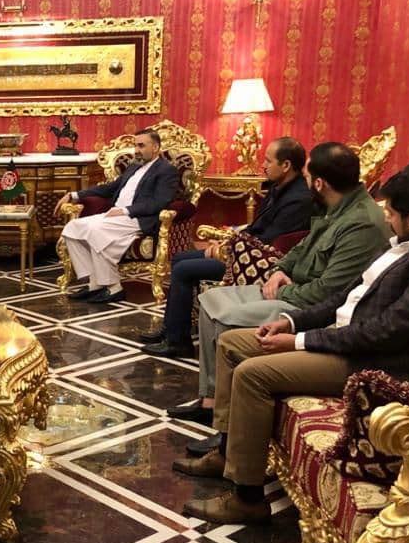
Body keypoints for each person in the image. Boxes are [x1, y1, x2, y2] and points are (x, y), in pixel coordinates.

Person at [175, 161, 409, 524]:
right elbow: (345, 296)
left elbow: (387, 332)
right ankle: (228, 453)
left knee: (253, 374)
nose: (385, 217)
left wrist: (300, 341)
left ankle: (247, 497)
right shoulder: (406, 243)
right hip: (348, 338)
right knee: (231, 344)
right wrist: (292, 321)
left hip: (374, 363)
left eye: (391, 212)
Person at [177, 142, 389, 449]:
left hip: (305, 304)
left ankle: (226, 427)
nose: (305, 181)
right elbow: (302, 247)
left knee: (227, 319)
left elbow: (329, 291)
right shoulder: (334, 207)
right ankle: (210, 400)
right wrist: (279, 269)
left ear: (319, 183)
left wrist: (283, 288)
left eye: (308, 176)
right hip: (290, 289)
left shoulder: (361, 223)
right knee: (212, 301)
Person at [141, 137, 313, 359]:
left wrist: (226, 248)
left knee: (184, 269)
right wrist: (226, 241)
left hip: (257, 263)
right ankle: (173, 327)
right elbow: (256, 227)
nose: (263, 165)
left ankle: (178, 343)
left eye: (268, 161)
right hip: (243, 251)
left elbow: (269, 241)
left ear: (286, 165)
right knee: (180, 259)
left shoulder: (298, 199)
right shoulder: (280, 186)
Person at [55, 127, 179, 303]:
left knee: (95, 230)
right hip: (115, 216)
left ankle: (114, 288)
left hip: (137, 218)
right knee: (72, 228)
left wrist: (126, 210)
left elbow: (159, 202)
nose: (136, 150)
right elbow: (110, 188)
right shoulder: (134, 165)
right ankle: (95, 283)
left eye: (141, 145)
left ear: (155, 147)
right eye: (135, 145)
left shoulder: (166, 170)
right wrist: (74, 195)